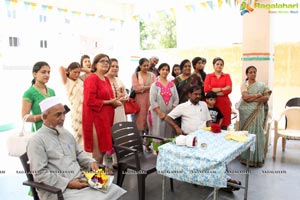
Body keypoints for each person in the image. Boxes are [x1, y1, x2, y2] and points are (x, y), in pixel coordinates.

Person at [27, 96, 126, 200]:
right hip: (60, 188)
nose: (63, 118)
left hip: (83, 178)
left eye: (63, 113)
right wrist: (68, 183)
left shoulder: (65, 133)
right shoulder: (36, 141)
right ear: (44, 117)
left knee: (114, 189)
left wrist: (90, 162)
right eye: (58, 115)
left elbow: (79, 153)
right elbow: (40, 174)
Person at [82, 53, 122, 170]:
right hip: (95, 119)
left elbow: (109, 99)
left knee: (104, 149)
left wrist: (116, 101)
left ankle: (99, 177)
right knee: (98, 153)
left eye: (107, 61)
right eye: (102, 61)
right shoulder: (91, 79)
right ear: (95, 64)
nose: (106, 63)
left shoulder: (106, 79)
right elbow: (90, 101)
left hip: (106, 119)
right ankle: (97, 181)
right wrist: (110, 102)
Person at [238, 65, 271, 167]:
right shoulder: (244, 85)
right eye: (250, 72)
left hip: (257, 111)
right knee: (246, 134)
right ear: (247, 74)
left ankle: (256, 159)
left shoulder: (262, 85)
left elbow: (266, 98)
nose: (253, 74)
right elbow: (244, 97)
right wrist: (257, 95)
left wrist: (251, 99)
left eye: (254, 72)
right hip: (245, 112)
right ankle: (245, 158)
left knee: (258, 133)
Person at [147, 63, 179, 146]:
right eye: (163, 69)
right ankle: (157, 153)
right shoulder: (155, 85)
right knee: (158, 132)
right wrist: (159, 112)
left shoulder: (172, 85)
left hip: (169, 114)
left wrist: (172, 113)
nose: (165, 71)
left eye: (167, 70)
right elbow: (152, 100)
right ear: (159, 71)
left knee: (169, 132)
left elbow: (176, 99)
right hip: (157, 114)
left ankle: (168, 152)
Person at [105, 58, 128, 168]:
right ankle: (104, 164)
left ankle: (116, 160)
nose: (114, 68)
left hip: (119, 111)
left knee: (119, 135)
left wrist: (124, 98)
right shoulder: (103, 80)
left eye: (116, 66)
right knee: (107, 137)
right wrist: (117, 99)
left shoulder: (118, 80)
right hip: (109, 112)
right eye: (112, 66)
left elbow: (125, 94)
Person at [22, 61, 56, 130]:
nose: (47, 75)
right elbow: (24, 117)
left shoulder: (52, 91)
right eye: (43, 72)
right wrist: (42, 116)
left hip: (53, 130)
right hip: (38, 133)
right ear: (35, 74)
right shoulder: (29, 93)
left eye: (48, 72)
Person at [204, 57, 232, 130]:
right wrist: (222, 89)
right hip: (212, 103)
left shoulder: (227, 76)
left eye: (221, 64)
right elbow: (206, 89)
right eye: (217, 64)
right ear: (213, 65)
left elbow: (229, 89)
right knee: (210, 125)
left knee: (223, 126)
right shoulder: (209, 76)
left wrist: (213, 91)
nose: (219, 66)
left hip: (224, 104)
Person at [59, 62, 83, 145]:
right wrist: (72, 69)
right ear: (69, 70)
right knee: (77, 135)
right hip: (75, 111)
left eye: (78, 72)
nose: (77, 74)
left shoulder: (80, 80)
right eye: (75, 72)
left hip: (84, 110)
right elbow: (61, 67)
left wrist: (79, 69)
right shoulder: (67, 81)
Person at [132, 58, 156, 133]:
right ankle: (140, 139)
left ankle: (149, 140)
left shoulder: (152, 75)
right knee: (140, 119)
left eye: (147, 65)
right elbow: (136, 89)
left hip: (150, 100)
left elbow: (155, 87)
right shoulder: (135, 75)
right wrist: (149, 87)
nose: (146, 67)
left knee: (150, 118)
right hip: (139, 101)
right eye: (144, 65)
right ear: (140, 66)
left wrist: (143, 88)